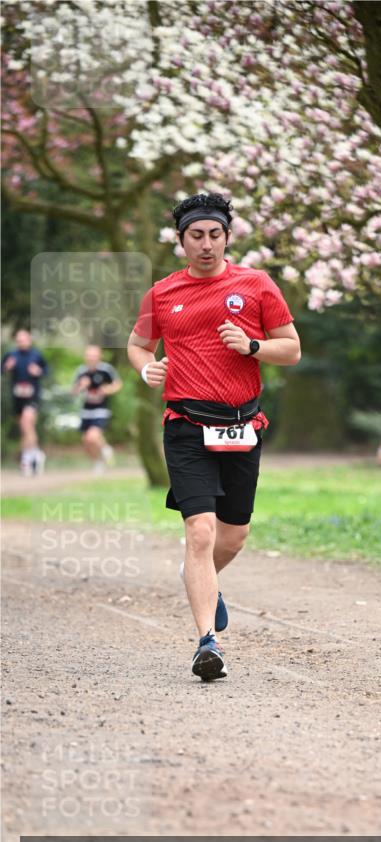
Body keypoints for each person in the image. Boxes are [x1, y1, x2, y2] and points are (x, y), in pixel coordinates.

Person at [126, 191, 301, 682]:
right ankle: (208, 642)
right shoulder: (162, 293)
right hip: (186, 424)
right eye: (196, 236)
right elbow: (138, 345)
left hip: (243, 425)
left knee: (233, 536)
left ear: (227, 237)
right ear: (181, 241)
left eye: (215, 235)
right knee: (199, 531)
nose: (206, 244)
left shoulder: (256, 284)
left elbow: (291, 349)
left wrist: (252, 345)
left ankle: (196, 576)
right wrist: (146, 369)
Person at [1, 328, 48, 475]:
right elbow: (2, 369)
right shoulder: (11, 355)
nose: (21, 342)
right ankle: (35, 455)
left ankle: (27, 458)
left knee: (26, 422)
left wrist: (38, 371)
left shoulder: (37, 355)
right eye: (18, 340)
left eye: (23, 339)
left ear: (29, 340)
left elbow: (46, 371)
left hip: (32, 396)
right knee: (25, 429)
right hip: (17, 397)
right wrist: (6, 368)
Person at [72, 345, 122, 473]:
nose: (91, 358)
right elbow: (74, 391)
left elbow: (118, 385)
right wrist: (81, 386)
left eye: (94, 355)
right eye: (89, 355)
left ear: (100, 356)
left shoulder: (106, 370)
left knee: (92, 437)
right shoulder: (81, 371)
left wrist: (107, 390)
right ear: (85, 357)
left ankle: (105, 450)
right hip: (86, 411)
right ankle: (98, 461)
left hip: (101, 410)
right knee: (86, 442)